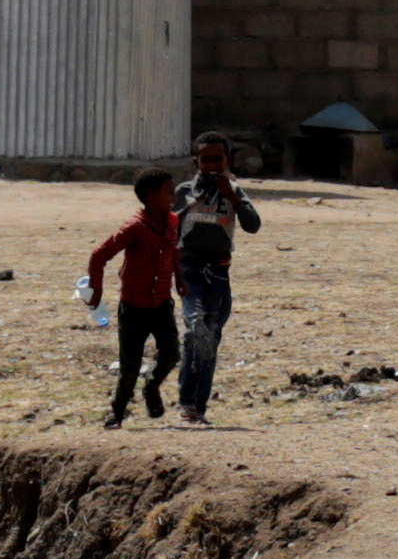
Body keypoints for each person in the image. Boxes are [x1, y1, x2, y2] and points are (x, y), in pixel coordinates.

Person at [173, 134, 264, 424]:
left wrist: (233, 198)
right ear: (196, 162)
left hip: (218, 273)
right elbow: (168, 228)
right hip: (189, 270)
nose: (212, 165)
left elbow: (253, 225)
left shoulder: (234, 191)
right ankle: (186, 400)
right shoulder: (184, 191)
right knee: (195, 328)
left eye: (218, 159)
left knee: (211, 336)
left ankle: (199, 406)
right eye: (206, 160)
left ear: (228, 160)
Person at [85, 169, 183, 427]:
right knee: (129, 366)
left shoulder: (171, 223)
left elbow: (174, 252)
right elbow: (99, 255)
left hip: (161, 304)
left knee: (172, 353)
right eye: (169, 192)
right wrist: (96, 290)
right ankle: (116, 413)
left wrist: (179, 279)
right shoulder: (135, 228)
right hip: (134, 307)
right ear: (151, 196)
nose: (174, 198)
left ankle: (152, 386)